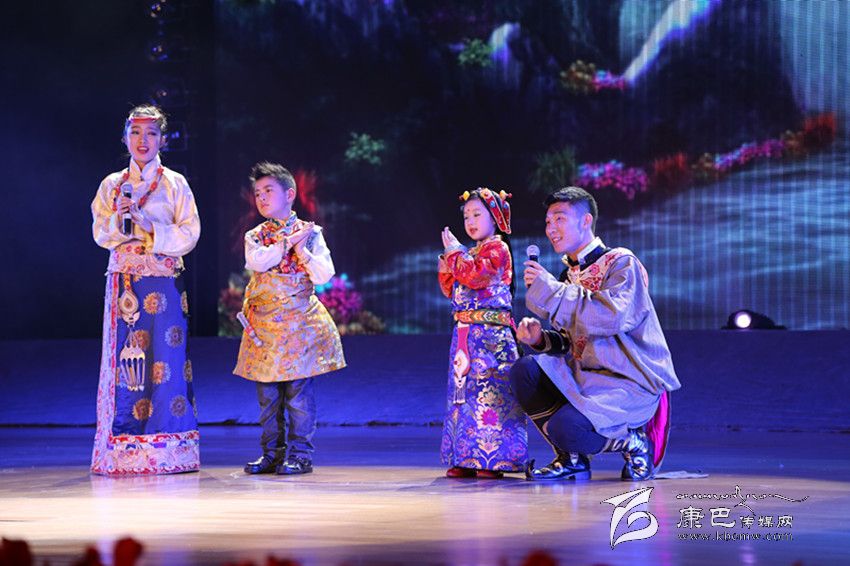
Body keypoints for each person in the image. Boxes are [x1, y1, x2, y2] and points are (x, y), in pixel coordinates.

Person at [510, 186, 680, 481]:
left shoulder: (621, 262)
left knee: (566, 427)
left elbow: (612, 315)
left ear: (586, 220)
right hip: (587, 380)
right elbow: (572, 342)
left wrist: (553, 291)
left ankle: (633, 443)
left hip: (627, 382)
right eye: (548, 222)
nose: (551, 229)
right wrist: (539, 339)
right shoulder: (568, 276)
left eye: (560, 219)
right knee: (525, 370)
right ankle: (572, 458)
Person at [90, 104, 201, 475]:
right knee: (127, 365)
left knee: (167, 363)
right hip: (126, 286)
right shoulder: (111, 185)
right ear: (124, 137)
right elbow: (100, 232)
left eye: (151, 133)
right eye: (135, 132)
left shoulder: (175, 183)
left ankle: (170, 450)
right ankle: (123, 449)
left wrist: (149, 226)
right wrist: (124, 220)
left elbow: (190, 233)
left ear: (163, 140)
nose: (143, 140)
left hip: (165, 284)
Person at [234, 161, 345, 476]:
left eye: (268, 191)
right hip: (265, 328)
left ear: (290, 194)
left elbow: (323, 273)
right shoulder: (256, 236)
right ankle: (272, 453)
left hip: (298, 326)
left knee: (298, 396)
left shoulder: (311, 234)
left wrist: (302, 250)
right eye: (258, 193)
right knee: (268, 397)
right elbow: (257, 262)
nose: (262, 198)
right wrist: (286, 243)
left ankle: (300, 455)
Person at [438, 188, 528, 479]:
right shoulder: (472, 252)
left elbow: (476, 276)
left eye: (477, 214)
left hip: (491, 338)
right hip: (465, 334)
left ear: (496, 218)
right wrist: (449, 262)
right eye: (467, 216)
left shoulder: (497, 249)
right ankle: (466, 457)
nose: (471, 221)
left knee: (492, 396)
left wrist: (455, 253)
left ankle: (494, 459)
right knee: (463, 397)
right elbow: (451, 288)